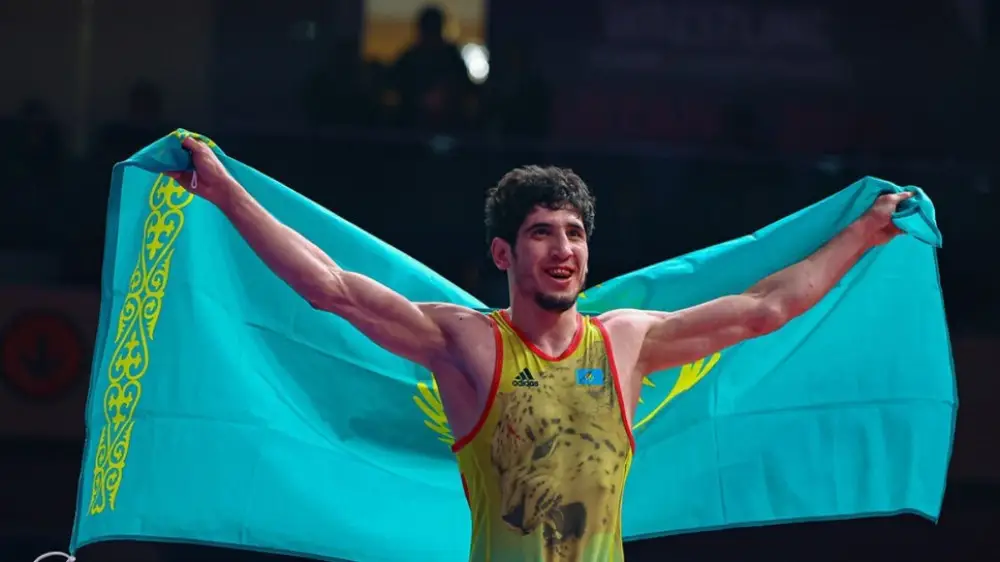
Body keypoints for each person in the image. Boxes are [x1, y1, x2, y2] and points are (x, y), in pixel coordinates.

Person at [168, 136, 912, 561]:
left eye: (575, 234)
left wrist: (861, 232)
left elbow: (765, 308)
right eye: (542, 233)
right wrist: (227, 193)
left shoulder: (627, 342)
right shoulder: (466, 344)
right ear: (504, 254)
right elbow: (331, 288)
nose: (563, 249)